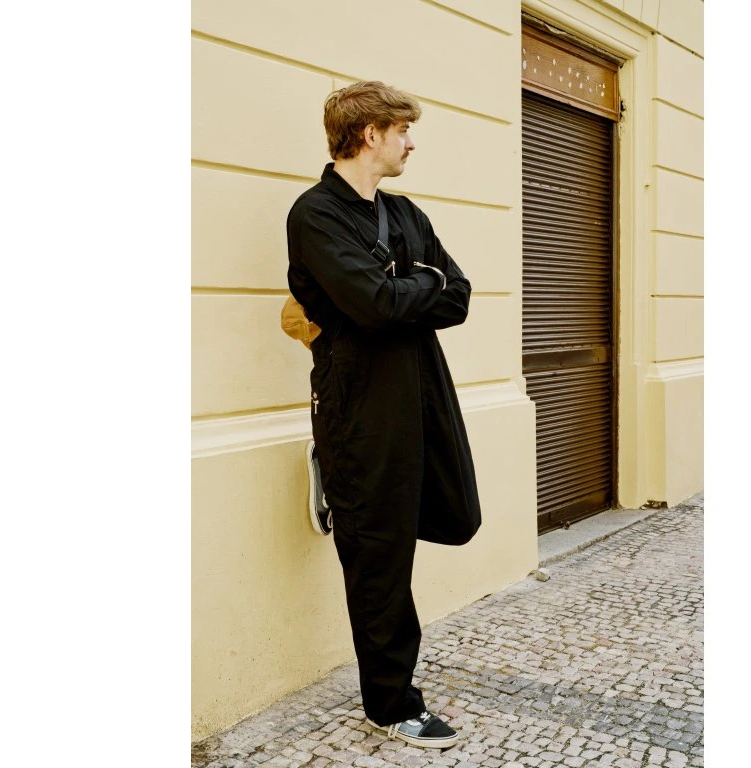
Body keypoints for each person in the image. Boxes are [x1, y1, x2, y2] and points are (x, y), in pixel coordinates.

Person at [285, 81, 481, 750]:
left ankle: (353, 512)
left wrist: (407, 288)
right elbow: (373, 304)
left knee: (456, 512)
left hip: (421, 392)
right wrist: (417, 285)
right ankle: (391, 703)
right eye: (402, 131)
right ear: (370, 134)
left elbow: (458, 295)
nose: (410, 143)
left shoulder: (404, 213)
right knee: (377, 555)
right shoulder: (315, 214)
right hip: (360, 407)